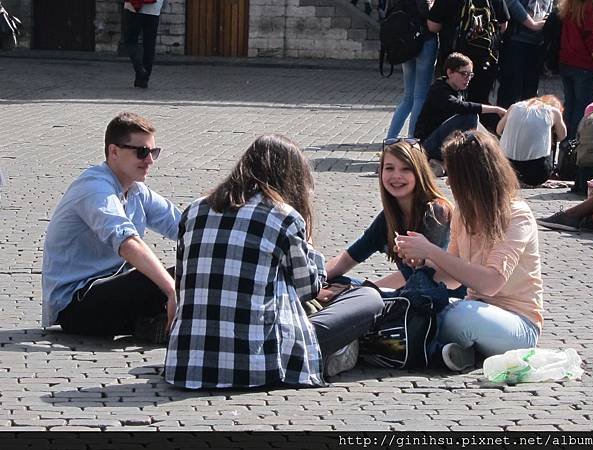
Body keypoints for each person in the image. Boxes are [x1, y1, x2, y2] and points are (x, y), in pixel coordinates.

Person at [164, 135, 384, 389]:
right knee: (369, 298)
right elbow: (309, 287)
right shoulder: (283, 216)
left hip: (188, 361)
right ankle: (327, 351)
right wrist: (307, 240)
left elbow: (183, 280)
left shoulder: (194, 210)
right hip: (257, 362)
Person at [396, 130, 542, 372]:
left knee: (459, 314)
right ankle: (460, 352)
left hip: (519, 325)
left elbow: (490, 283)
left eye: (453, 174)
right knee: (416, 306)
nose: (449, 182)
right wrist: (419, 263)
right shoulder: (464, 213)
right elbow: (450, 276)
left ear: (472, 177)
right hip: (477, 310)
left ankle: (444, 346)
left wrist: (431, 250)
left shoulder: (517, 215)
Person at [42, 112, 181, 344]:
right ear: (114, 152)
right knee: (163, 278)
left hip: (112, 290)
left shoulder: (136, 191)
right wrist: (170, 288)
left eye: (153, 152)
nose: (150, 161)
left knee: (196, 268)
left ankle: (154, 323)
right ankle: (162, 320)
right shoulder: (95, 188)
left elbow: (183, 225)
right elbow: (127, 243)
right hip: (76, 304)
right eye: (142, 152)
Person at [326, 140, 453, 290]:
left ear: (420, 173)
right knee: (334, 283)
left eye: (406, 169)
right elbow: (349, 257)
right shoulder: (389, 216)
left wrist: (359, 293)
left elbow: (421, 275)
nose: (396, 176)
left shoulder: (437, 211)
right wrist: (315, 279)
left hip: (444, 298)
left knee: (345, 291)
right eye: (389, 168)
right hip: (409, 290)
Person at [414, 52, 506, 175]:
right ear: (450, 73)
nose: (467, 78)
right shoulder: (439, 89)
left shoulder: (457, 89)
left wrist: (494, 144)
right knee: (470, 117)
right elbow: (460, 107)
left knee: (477, 127)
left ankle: (444, 163)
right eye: (464, 74)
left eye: (470, 75)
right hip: (427, 146)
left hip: (439, 143)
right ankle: (445, 162)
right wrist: (496, 109)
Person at [427, 0, 509, 107]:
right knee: (479, 103)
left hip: (454, 60)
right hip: (485, 59)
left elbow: (433, 26)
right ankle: (475, 122)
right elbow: (503, 26)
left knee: (449, 102)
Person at [385, 0, 438, 139]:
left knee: (408, 97)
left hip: (405, 42)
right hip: (424, 40)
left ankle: (390, 138)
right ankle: (412, 138)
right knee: (420, 95)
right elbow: (428, 15)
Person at [497, 95, 567, 186]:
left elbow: (498, 130)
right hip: (537, 173)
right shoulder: (553, 111)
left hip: (507, 168)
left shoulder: (514, 107)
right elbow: (562, 136)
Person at [496, 0, 553, 108]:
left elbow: (548, 11)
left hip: (537, 45)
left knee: (530, 93)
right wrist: (532, 24)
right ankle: (503, 122)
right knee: (510, 90)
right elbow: (510, 3)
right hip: (515, 42)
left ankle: (526, 122)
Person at [558, 0, 593, 140]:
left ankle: (563, 142)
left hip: (566, 62)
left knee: (570, 104)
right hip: (584, 65)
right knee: (582, 107)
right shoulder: (589, 6)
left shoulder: (569, 5)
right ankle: (574, 145)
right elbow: (592, 40)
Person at [123, 0, 165, 88]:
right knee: (149, 44)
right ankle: (143, 79)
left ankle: (140, 68)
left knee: (130, 40)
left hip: (133, 7)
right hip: (154, 9)